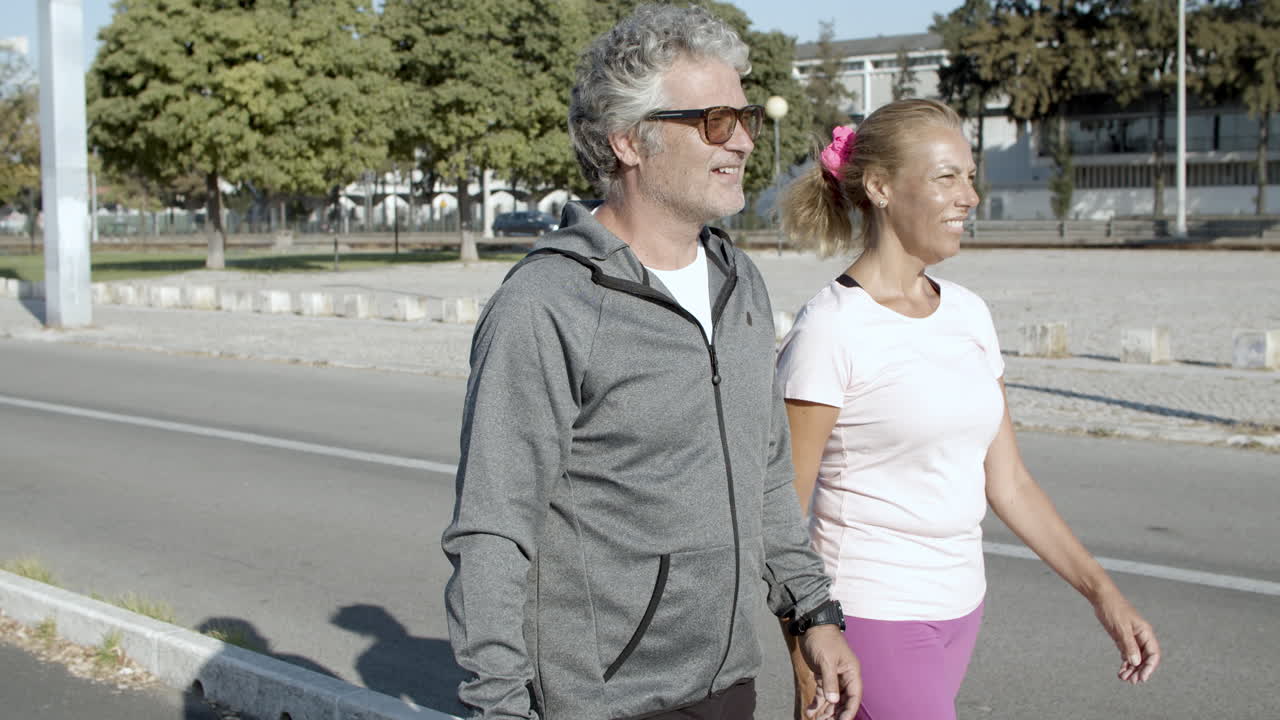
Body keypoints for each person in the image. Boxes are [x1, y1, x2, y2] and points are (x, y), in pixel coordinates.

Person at [441, 6, 861, 720]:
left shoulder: (741, 283)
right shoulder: (548, 302)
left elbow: (765, 476)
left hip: (727, 683)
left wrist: (811, 611)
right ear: (630, 142)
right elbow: (492, 528)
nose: (744, 142)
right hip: (600, 700)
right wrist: (499, 707)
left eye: (746, 116)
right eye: (714, 121)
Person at [774, 98, 1161, 720]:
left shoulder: (968, 313)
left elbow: (1008, 482)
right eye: (945, 177)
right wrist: (803, 651)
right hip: (869, 613)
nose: (969, 197)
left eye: (970, 177)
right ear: (879, 188)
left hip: (960, 607)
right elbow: (782, 509)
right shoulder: (830, 330)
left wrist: (1103, 594)